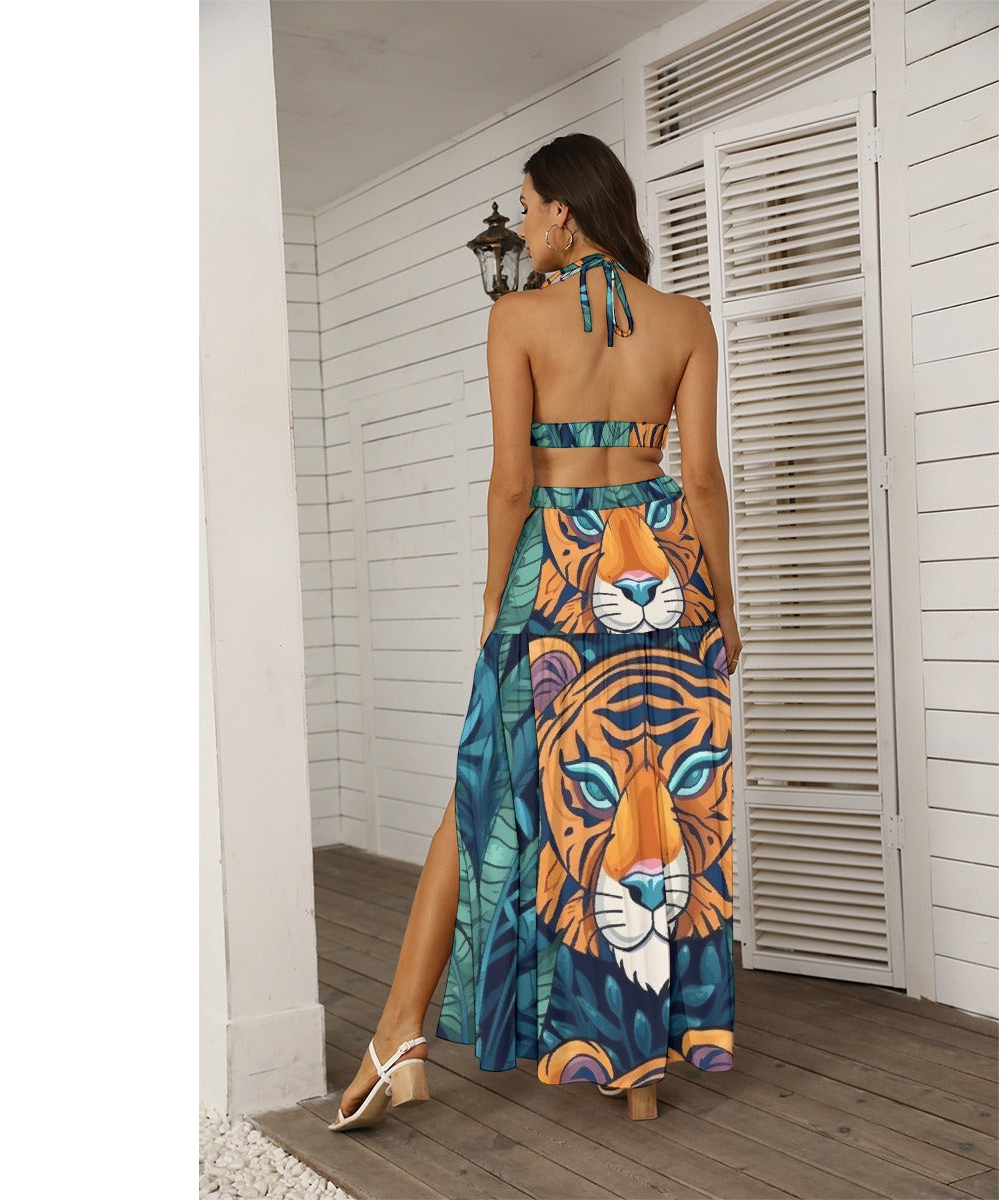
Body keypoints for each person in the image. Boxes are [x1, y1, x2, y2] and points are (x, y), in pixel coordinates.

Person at [329, 132, 742, 1130]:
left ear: (564, 210)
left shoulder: (517, 316)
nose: (520, 226)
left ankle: (400, 1036)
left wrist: (492, 599)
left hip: (557, 568)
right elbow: (699, 477)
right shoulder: (687, 320)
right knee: (647, 789)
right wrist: (724, 603)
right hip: (662, 573)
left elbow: (514, 481)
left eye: (525, 206)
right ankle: (639, 1062)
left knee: (487, 798)